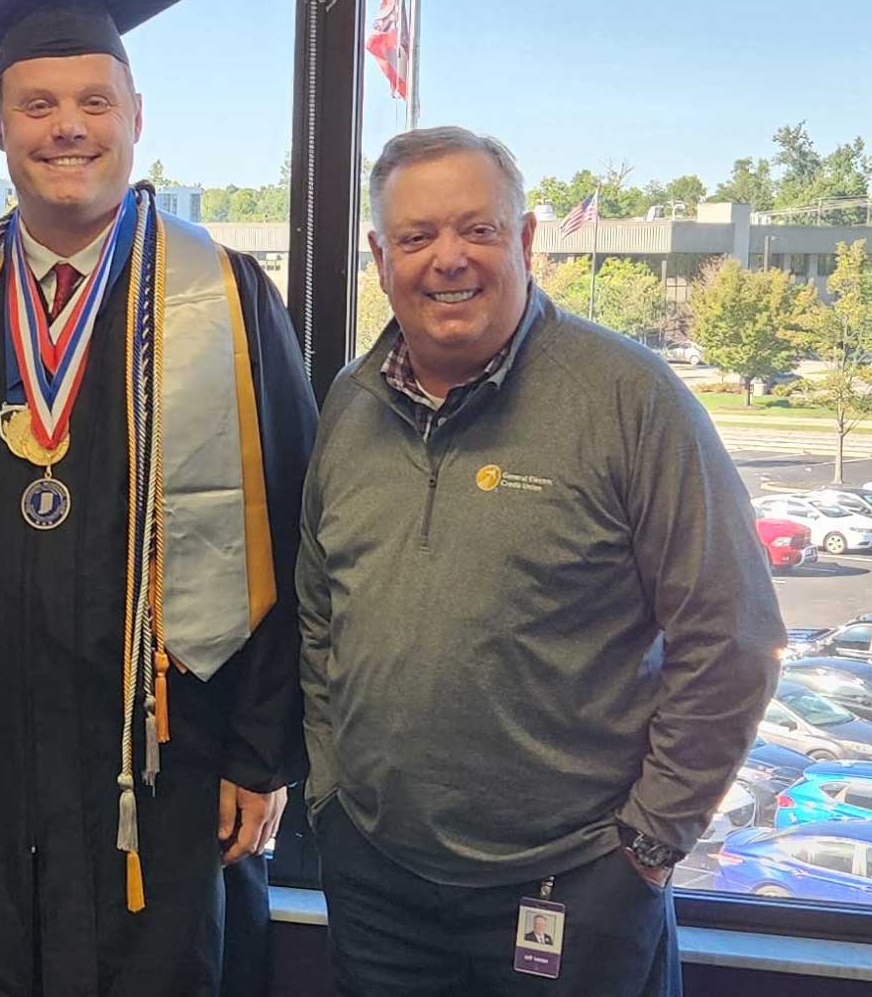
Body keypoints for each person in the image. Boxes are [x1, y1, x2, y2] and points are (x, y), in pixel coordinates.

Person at [0, 0, 316, 997]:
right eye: (38, 105)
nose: (68, 127)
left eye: (94, 103)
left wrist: (259, 754)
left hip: (171, 764)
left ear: (135, 117)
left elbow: (295, 530)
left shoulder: (228, 298)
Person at [297, 127, 783, 997]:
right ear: (380, 258)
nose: (448, 258)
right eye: (417, 236)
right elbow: (319, 611)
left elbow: (733, 636)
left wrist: (647, 846)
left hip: (574, 885)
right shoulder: (351, 402)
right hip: (377, 880)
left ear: (524, 240)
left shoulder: (630, 398)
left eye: (477, 230)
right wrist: (331, 793)